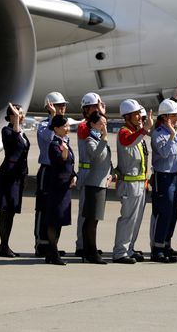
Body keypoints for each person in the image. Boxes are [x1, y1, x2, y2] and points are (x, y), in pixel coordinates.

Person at [112, 99, 153, 264]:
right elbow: (129, 142)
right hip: (129, 184)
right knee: (128, 219)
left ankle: (129, 248)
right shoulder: (124, 132)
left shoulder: (138, 133)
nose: (139, 117)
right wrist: (145, 129)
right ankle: (120, 252)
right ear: (127, 116)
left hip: (140, 184)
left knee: (136, 220)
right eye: (136, 114)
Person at [149, 99, 177, 263]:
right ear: (165, 117)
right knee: (163, 212)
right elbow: (164, 153)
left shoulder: (176, 132)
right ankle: (157, 248)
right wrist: (171, 135)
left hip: (175, 175)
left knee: (172, 213)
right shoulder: (158, 133)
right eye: (174, 115)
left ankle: (166, 244)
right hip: (163, 176)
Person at [0, 103, 30, 258]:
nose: (22, 115)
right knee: (5, 210)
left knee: (12, 212)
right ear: (12, 115)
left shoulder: (22, 132)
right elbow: (13, 142)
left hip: (19, 176)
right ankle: (3, 245)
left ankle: (5, 245)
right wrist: (15, 121)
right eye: (19, 113)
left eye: (22, 113)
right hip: (8, 175)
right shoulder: (7, 130)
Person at [35, 92, 68, 257]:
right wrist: (54, 117)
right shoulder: (43, 125)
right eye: (59, 105)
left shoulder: (64, 125)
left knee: (57, 208)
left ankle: (53, 244)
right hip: (47, 169)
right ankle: (41, 243)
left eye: (63, 105)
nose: (63, 108)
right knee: (43, 207)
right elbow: (49, 137)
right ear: (50, 107)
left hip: (59, 171)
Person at [79, 111, 114, 264]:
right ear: (92, 124)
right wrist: (104, 139)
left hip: (101, 183)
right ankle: (90, 251)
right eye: (101, 124)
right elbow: (95, 155)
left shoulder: (99, 139)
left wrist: (111, 173)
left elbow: (107, 160)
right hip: (94, 183)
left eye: (105, 124)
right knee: (91, 220)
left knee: (93, 220)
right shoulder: (90, 140)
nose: (103, 126)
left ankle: (89, 250)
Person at [43, 114, 77, 265]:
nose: (67, 128)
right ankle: (53, 251)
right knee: (54, 220)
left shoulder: (65, 142)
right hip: (57, 186)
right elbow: (58, 162)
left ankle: (52, 251)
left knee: (60, 219)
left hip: (66, 187)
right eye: (64, 126)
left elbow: (71, 162)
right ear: (56, 128)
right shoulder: (53, 144)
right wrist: (63, 154)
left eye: (68, 126)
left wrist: (74, 175)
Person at [75, 92, 105, 258]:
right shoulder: (83, 126)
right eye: (94, 107)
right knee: (84, 212)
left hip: (95, 171)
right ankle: (81, 245)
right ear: (86, 110)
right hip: (86, 172)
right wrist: (102, 116)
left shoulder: (96, 125)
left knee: (92, 213)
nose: (97, 110)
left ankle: (88, 243)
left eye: (98, 107)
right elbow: (92, 133)